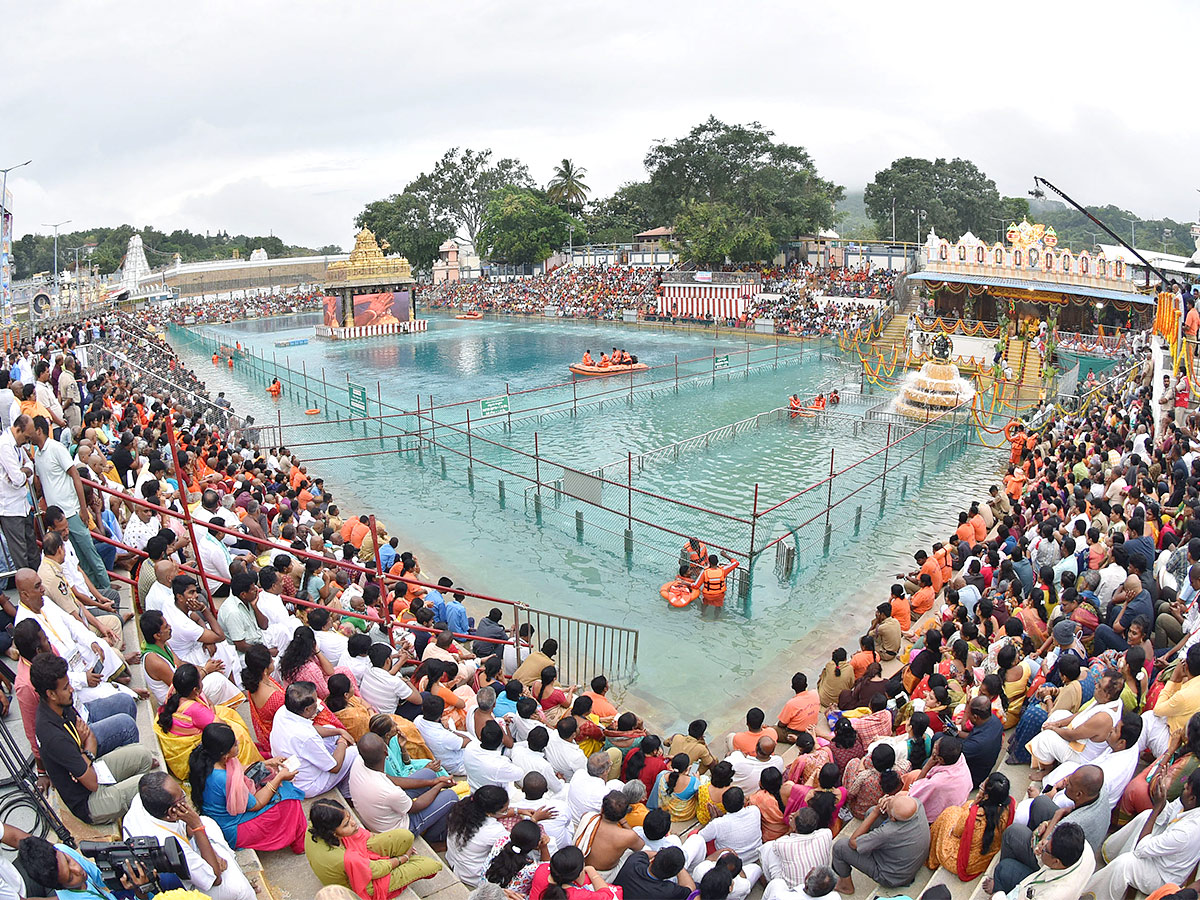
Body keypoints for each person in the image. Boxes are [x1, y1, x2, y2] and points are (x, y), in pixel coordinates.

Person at [30, 652, 154, 825]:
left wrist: (85, 754)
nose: (71, 689)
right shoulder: (52, 735)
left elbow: (89, 736)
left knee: (144, 756)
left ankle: (134, 802)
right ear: (51, 694)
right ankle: (135, 810)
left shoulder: (61, 705)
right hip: (88, 802)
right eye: (66, 687)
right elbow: (92, 783)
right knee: (148, 784)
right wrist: (87, 751)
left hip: (92, 770)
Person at [123, 771, 256, 900]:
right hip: (180, 886)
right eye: (182, 797)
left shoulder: (143, 800)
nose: (183, 795)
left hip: (179, 859)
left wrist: (212, 852)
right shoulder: (170, 845)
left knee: (207, 822)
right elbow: (216, 879)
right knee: (241, 889)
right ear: (172, 811)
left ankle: (234, 869)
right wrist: (197, 826)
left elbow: (185, 828)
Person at [187, 721, 307, 852]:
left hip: (220, 819)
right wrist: (279, 777)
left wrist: (267, 763)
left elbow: (239, 771)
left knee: (277, 783)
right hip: (233, 828)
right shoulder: (222, 778)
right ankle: (300, 844)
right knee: (289, 797)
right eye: (234, 744)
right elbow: (256, 804)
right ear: (225, 754)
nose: (238, 743)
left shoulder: (208, 758)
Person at [989, 765, 1108, 892]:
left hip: (1053, 864)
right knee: (1041, 802)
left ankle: (1004, 882)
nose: (1066, 781)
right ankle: (1020, 858)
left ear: (1079, 794)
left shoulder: (1073, 823)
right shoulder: (1100, 791)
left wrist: (1054, 820)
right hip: (1070, 845)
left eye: (1071, 783)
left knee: (1012, 834)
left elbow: (1041, 848)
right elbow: (1072, 813)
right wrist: (1052, 820)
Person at [1086, 769, 1200, 900]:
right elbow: (1167, 814)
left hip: (1162, 875)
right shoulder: (1190, 804)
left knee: (1124, 864)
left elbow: (1140, 849)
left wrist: (1157, 807)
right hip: (1165, 850)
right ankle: (1110, 859)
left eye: (1186, 788)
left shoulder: (1187, 832)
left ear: (1192, 798)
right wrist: (1162, 794)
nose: (1183, 788)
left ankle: (1093, 894)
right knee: (1146, 816)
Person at [29, 414, 110, 589]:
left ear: (39, 431)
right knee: (78, 559)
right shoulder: (39, 455)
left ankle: (107, 591)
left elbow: (75, 475)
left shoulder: (56, 448)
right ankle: (95, 592)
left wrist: (82, 508)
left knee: (90, 554)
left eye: (30, 432)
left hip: (71, 512)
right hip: (57, 517)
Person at [305, 797, 444, 899]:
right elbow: (378, 870)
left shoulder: (314, 825)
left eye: (349, 817)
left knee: (405, 836)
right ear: (333, 833)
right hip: (358, 884)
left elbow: (364, 836)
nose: (354, 823)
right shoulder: (347, 858)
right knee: (431, 865)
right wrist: (404, 858)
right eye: (346, 824)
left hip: (354, 855)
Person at [154, 662, 262, 780]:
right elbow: (221, 725)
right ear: (195, 690)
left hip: (194, 721)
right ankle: (251, 771)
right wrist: (211, 712)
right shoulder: (194, 709)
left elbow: (208, 703)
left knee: (228, 712)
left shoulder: (177, 688)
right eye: (200, 681)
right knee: (239, 734)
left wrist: (209, 708)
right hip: (192, 752)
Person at [349, 733, 457, 842]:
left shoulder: (359, 762)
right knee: (450, 796)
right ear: (386, 753)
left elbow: (391, 779)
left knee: (429, 773)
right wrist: (440, 785)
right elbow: (415, 806)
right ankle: (434, 839)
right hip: (397, 830)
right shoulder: (390, 792)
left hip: (377, 810)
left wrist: (433, 781)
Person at [831, 781, 930, 894]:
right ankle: (869, 843)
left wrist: (877, 811)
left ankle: (846, 886)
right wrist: (886, 806)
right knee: (870, 812)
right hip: (910, 860)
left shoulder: (888, 832)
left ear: (892, 818)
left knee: (840, 847)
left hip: (891, 877)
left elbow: (852, 843)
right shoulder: (917, 804)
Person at [270, 681, 359, 797]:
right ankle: (347, 794)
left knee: (330, 729)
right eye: (315, 704)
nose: (318, 704)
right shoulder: (306, 736)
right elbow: (334, 767)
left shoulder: (283, 711)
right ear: (307, 710)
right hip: (307, 784)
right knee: (354, 752)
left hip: (293, 764)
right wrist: (342, 741)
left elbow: (312, 729)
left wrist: (339, 731)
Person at [925, 771, 1013, 880]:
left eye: (982, 787)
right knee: (962, 808)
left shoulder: (975, 816)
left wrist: (974, 804)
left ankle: (931, 859)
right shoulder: (1008, 808)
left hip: (962, 860)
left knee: (950, 812)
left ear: (986, 796)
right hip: (984, 855)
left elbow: (956, 832)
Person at [15, 833, 158, 900]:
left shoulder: (61, 849)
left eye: (69, 861)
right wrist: (141, 891)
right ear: (60, 887)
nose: (78, 870)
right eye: (70, 878)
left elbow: (101, 878)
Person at [983, 821, 1094, 900]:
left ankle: (999, 887)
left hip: (1035, 891)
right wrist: (1046, 825)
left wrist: (998, 897)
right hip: (1038, 880)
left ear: (1056, 862)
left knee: (1003, 869)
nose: (1043, 845)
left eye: (1046, 849)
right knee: (1012, 834)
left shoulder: (1053, 895)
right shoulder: (1083, 846)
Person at [573, 790, 644, 879]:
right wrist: (624, 823)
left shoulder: (588, 816)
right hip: (603, 876)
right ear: (624, 814)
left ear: (602, 809)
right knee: (635, 851)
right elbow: (641, 845)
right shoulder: (628, 836)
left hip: (577, 865)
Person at [759, 807, 833, 891]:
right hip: (818, 882)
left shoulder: (782, 844)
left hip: (791, 889)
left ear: (795, 826)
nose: (792, 814)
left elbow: (778, 844)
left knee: (768, 847)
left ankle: (769, 882)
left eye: (794, 816)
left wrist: (792, 828)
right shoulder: (826, 834)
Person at [0, 414, 37, 570]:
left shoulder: (18, 444)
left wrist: (25, 470)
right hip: (10, 508)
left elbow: (30, 465)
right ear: (18, 430)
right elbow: (17, 479)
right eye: (26, 438)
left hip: (23, 504)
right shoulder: (5, 445)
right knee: (20, 553)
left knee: (32, 549)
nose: (27, 442)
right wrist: (25, 472)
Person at [908, 736, 973, 823]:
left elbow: (913, 795)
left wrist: (928, 765)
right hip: (958, 799)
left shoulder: (937, 782)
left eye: (935, 748)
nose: (933, 751)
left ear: (940, 759)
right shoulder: (959, 757)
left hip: (938, 819)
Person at [482, 818, 551, 896]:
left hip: (484, 891)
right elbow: (546, 867)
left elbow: (519, 836)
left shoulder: (500, 842)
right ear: (535, 846)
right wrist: (544, 847)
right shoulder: (530, 869)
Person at [528, 846, 620, 899]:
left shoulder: (542, 870)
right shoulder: (578, 896)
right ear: (578, 874)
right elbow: (608, 896)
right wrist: (592, 871)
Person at [612, 846, 694, 899]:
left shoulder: (634, 861)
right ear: (673, 875)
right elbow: (691, 889)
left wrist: (662, 856)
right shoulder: (668, 891)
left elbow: (645, 853)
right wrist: (678, 867)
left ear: (653, 860)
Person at [959, 694, 1004, 787]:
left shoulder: (976, 744)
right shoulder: (995, 720)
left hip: (972, 778)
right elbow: (973, 736)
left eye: (969, 714)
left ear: (975, 717)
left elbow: (954, 756)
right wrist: (956, 733)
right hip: (982, 764)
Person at [693, 552, 740, 620]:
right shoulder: (723, 570)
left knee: (705, 603)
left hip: (708, 595)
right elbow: (736, 563)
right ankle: (716, 618)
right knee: (718, 606)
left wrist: (687, 583)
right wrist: (725, 555)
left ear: (709, 562)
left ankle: (703, 614)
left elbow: (696, 585)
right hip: (719, 595)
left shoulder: (705, 572)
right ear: (717, 562)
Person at [775, 672, 819, 743]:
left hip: (796, 733)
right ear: (806, 685)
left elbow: (781, 724)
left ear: (792, 687)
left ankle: (798, 739)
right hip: (812, 728)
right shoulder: (815, 693)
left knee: (771, 730)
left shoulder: (791, 703)